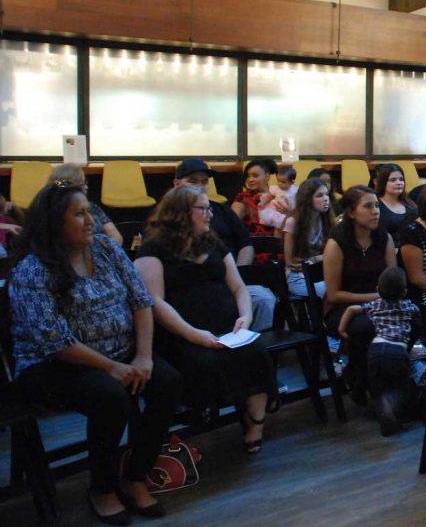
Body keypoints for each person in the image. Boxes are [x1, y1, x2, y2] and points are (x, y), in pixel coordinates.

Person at [10, 182, 182, 523]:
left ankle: (135, 476)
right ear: (54, 222)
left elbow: (141, 302)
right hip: (53, 364)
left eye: (89, 211)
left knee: (168, 383)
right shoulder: (33, 270)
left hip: (121, 352)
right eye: (79, 214)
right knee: (111, 397)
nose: (91, 220)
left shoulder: (105, 248)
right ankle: (102, 487)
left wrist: (144, 356)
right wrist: (111, 368)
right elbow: (54, 341)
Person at [135, 186, 276, 454]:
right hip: (182, 333)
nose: (210, 214)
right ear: (181, 214)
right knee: (204, 362)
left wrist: (245, 316)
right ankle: (205, 420)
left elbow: (238, 287)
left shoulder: (213, 243)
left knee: (256, 353)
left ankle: (255, 423)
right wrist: (194, 334)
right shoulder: (153, 250)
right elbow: (155, 301)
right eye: (203, 209)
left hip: (226, 328)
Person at [173, 158, 277, 331]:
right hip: (193, 286)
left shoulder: (222, 211)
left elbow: (246, 244)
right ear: (176, 184)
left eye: (204, 181)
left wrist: (237, 273)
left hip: (231, 279)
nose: (200, 186)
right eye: (192, 181)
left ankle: (253, 344)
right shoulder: (167, 217)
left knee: (263, 297)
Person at [322, 185, 398, 403]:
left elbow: (391, 280)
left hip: (379, 303)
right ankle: (365, 383)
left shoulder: (384, 239)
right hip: (342, 308)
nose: (376, 211)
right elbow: (334, 295)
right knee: (366, 325)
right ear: (351, 212)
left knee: (414, 318)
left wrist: (385, 297)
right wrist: (375, 298)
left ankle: (396, 381)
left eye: (376, 205)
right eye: (368, 206)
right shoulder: (337, 244)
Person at [339, 266, 420, 436]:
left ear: (377, 289)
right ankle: (397, 416)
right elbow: (420, 316)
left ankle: (383, 417)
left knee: (379, 387)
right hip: (397, 351)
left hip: (376, 349)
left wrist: (342, 330)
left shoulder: (374, 304)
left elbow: (351, 309)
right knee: (399, 387)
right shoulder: (408, 305)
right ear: (404, 292)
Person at [283, 177, 334, 298]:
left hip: (324, 273)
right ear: (307, 199)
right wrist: (321, 259)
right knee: (328, 293)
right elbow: (291, 262)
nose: (326, 199)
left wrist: (315, 259)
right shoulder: (293, 222)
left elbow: (334, 255)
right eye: (319, 195)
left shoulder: (328, 222)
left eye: (326, 194)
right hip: (299, 276)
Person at [51, 164, 123, 246]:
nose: (86, 187)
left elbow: (117, 238)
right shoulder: (53, 213)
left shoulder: (93, 207)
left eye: (86, 183)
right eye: (82, 184)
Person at [232, 158, 281, 240]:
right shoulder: (243, 197)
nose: (250, 180)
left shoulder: (278, 194)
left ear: (267, 176)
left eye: (255, 176)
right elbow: (232, 221)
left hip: (280, 241)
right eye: (248, 176)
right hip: (253, 243)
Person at [374, 163, 417, 238]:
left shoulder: (410, 205)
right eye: (393, 180)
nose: (399, 183)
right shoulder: (376, 206)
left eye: (401, 179)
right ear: (383, 183)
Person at [258, 164, 296, 232]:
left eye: (283, 182)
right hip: (276, 210)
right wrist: (263, 203)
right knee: (277, 227)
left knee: (287, 226)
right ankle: (277, 240)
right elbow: (269, 196)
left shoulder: (295, 190)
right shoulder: (276, 189)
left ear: (292, 182)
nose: (280, 183)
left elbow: (299, 201)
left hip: (289, 211)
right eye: (278, 181)